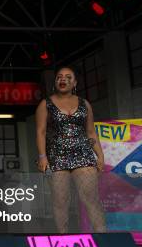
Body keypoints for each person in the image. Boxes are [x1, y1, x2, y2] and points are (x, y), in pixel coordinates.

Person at [35, 66, 107, 233]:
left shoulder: (84, 104)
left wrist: (100, 156)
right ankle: (63, 241)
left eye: (68, 77)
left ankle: (103, 239)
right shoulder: (45, 104)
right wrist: (42, 156)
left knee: (90, 198)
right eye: (59, 76)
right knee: (61, 201)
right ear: (55, 81)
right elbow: (40, 132)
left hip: (83, 154)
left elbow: (90, 132)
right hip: (57, 157)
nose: (63, 79)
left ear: (74, 82)